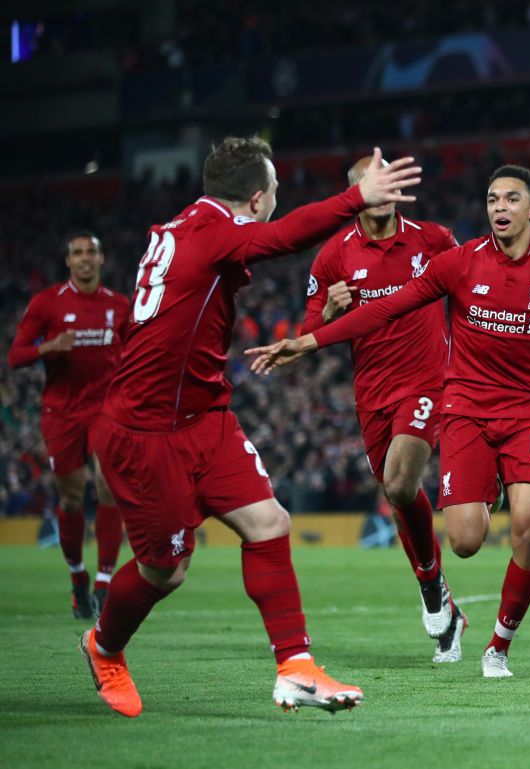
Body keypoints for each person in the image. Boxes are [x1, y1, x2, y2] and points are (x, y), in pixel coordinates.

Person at [246, 164, 530, 679]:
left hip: (529, 412)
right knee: (464, 541)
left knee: (528, 531)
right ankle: (488, 492)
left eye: (510, 199)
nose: (499, 208)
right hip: (465, 411)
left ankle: (499, 645)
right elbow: (386, 310)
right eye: (491, 200)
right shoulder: (459, 264)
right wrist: (308, 339)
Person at [79, 137, 421, 718]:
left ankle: (295, 668)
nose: (276, 207)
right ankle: (104, 646)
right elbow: (282, 239)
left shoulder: (191, 225)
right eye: (276, 196)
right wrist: (354, 197)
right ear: (257, 198)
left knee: (268, 523)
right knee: (166, 569)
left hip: (202, 415)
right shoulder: (213, 228)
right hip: (147, 430)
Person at [302, 155, 464, 663]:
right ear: (356, 195)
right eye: (368, 185)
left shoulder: (433, 240)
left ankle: (432, 586)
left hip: (427, 380)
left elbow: (471, 295)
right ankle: (437, 590)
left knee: (398, 483)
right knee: (400, 493)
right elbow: (311, 331)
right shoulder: (333, 257)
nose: (381, 192)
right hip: (371, 390)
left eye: (387, 183)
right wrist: (328, 312)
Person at [8, 232, 129, 618]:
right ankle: (78, 577)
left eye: (91, 251)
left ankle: (105, 583)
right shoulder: (47, 304)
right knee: (71, 499)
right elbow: (15, 356)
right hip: (61, 412)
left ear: (102, 258)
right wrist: (48, 347)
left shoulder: (119, 306)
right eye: (77, 253)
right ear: (68, 261)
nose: (85, 259)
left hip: (106, 411)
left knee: (110, 487)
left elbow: (136, 354)